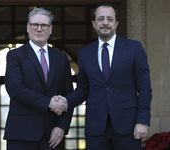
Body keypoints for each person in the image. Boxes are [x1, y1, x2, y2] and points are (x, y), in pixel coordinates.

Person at [54, 3, 152, 150]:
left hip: (128, 126)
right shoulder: (85, 53)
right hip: (96, 128)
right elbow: (84, 89)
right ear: (94, 24)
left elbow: (144, 88)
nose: (105, 23)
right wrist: (67, 101)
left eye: (109, 19)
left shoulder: (134, 48)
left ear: (116, 23)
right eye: (100, 19)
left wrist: (142, 121)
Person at [4, 8, 73, 150]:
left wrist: (61, 127)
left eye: (44, 26)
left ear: (51, 29)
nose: (39, 29)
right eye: (35, 25)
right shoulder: (15, 56)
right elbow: (15, 89)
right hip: (21, 133)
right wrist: (48, 103)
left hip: (53, 135)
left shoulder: (61, 58)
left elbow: (69, 96)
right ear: (28, 28)